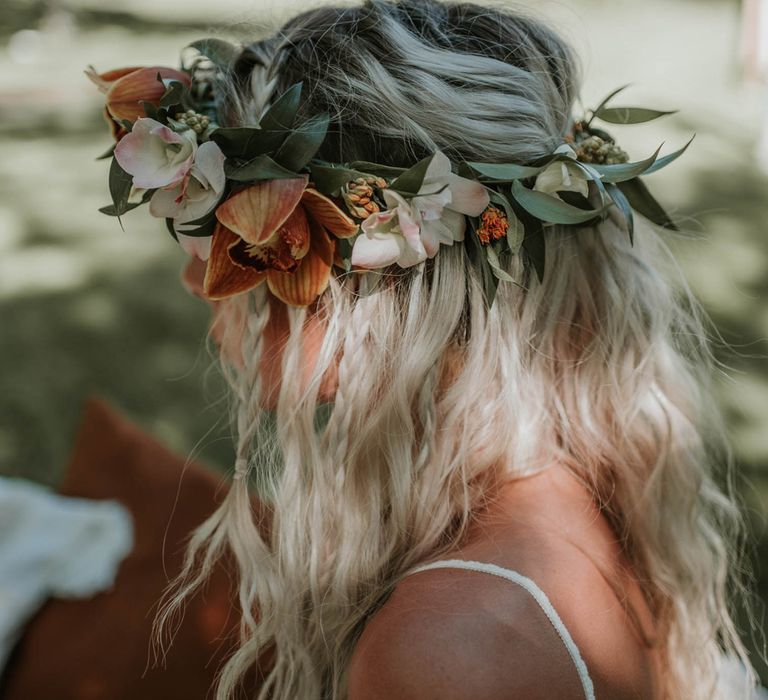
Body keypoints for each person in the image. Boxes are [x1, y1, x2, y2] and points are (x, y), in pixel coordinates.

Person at [89, 0, 764, 697]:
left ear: (353, 286)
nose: (197, 280)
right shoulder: (567, 490)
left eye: (234, 238)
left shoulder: (448, 653)